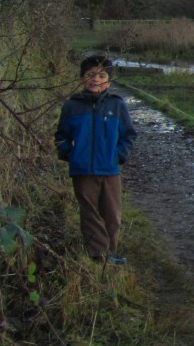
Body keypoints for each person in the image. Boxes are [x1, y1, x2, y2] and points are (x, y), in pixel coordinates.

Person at [54, 55, 137, 265]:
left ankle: (110, 251)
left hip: (109, 170)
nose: (96, 79)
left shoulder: (116, 105)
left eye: (101, 75)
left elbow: (129, 135)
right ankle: (98, 255)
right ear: (82, 78)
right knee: (90, 213)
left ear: (108, 81)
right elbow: (61, 136)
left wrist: (118, 155)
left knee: (112, 214)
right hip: (82, 171)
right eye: (91, 75)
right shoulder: (72, 106)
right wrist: (69, 154)